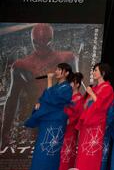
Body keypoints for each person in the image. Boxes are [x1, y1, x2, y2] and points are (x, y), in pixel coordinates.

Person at [2, 23, 77, 151]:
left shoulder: (67, 58)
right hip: (41, 119)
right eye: (38, 42)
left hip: (57, 118)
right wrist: (4, 134)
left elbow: (75, 92)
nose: (41, 45)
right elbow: (11, 100)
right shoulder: (21, 65)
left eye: (44, 42)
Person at [24, 63, 73, 170]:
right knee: (42, 152)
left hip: (56, 121)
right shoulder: (56, 86)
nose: (56, 71)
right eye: (56, 69)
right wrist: (38, 104)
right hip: (47, 121)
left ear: (66, 73)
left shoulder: (67, 87)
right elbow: (44, 98)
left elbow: (53, 99)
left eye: (59, 70)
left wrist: (50, 80)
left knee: (51, 151)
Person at [75, 63, 114, 170]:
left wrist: (91, 94)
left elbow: (102, 106)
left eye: (95, 70)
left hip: (97, 124)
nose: (93, 73)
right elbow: (86, 106)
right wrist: (86, 100)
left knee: (93, 154)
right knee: (84, 154)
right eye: (93, 70)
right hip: (87, 123)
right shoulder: (95, 87)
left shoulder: (107, 88)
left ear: (102, 72)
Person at [56, 72, 84, 170]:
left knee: (67, 157)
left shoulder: (79, 98)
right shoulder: (66, 97)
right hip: (60, 129)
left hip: (70, 130)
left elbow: (77, 115)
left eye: (71, 82)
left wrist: (68, 121)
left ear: (77, 84)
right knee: (59, 156)